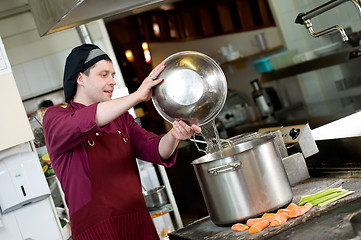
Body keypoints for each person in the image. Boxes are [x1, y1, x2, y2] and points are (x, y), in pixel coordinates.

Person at [43, 44, 201, 240]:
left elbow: (154, 149)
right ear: (80, 78)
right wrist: (137, 96)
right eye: (104, 75)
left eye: (113, 75)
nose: (112, 81)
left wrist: (174, 136)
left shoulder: (121, 118)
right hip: (97, 231)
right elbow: (86, 120)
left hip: (138, 223)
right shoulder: (56, 117)